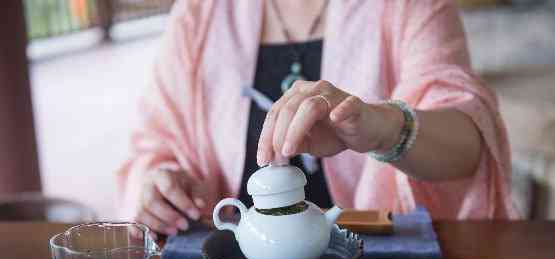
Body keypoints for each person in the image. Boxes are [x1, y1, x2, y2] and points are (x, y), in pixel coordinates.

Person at [117, 0, 516, 238]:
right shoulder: (201, 14)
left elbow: (468, 144)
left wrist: (381, 127)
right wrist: (158, 186)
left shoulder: (407, 7)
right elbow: (153, 146)